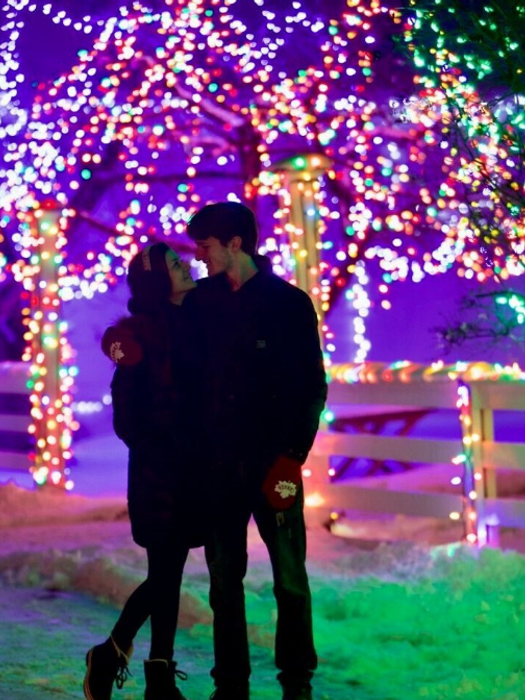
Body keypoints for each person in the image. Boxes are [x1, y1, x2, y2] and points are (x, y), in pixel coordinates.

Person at [184, 202, 327, 700]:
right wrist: (121, 346)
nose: (199, 256)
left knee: (289, 577)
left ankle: (296, 682)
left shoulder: (288, 304)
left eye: (205, 246)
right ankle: (231, 684)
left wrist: (291, 457)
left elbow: (311, 387)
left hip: (276, 464)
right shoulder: (200, 303)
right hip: (219, 467)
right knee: (225, 581)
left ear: (235, 243)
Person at [85, 243, 206, 700]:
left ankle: (119, 655)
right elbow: (127, 417)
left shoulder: (197, 320)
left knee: (168, 574)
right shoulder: (138, 337)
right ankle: (146, 668)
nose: (187, 266)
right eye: (176, 265)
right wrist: (166, 444)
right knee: (165, 572)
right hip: (160, 474)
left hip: (195, 472)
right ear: (160, 282)